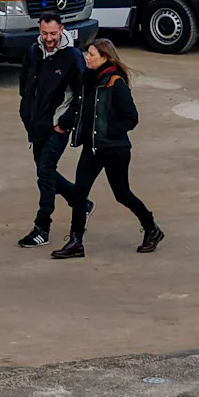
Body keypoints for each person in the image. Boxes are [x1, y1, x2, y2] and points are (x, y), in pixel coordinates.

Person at [52, 37, 161, 258]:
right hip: (92, 149)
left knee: (122, 194)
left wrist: (106, 132)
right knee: (79, 194)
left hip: (114, 150)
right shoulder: (88, 80)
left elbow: (131, 118)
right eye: (87, 53)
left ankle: (151, 228)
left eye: (91, 54)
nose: (87, 57)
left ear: (105, 58)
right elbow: (79, 108)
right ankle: (76, 242)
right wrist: (62, 124)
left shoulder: (115, 83)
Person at [17, 15, 86, 246]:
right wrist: (26, 111)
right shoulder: (33, 51)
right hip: (36, 124)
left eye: (53, 34)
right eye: (44, 33)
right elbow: (25, 82)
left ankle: (42, 227)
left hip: (58, 126)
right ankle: (81, 202)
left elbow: (83, 95)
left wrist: (65, 122)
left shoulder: (73, 57)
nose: (48, 39)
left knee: (45, 171)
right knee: (44, 171)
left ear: (62, 30)